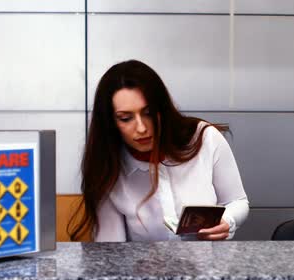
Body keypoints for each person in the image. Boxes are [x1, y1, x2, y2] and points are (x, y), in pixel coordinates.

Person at [68, 60, 249, 241]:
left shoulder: (205, 138)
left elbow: (237, 202)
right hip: (142, 269)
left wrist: (227, 221)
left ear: (162, 108)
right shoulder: (109, 168)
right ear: (111, 123)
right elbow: (112, 250)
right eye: (125, 118)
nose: (141, 128)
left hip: (209, 267)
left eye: (148, 113)